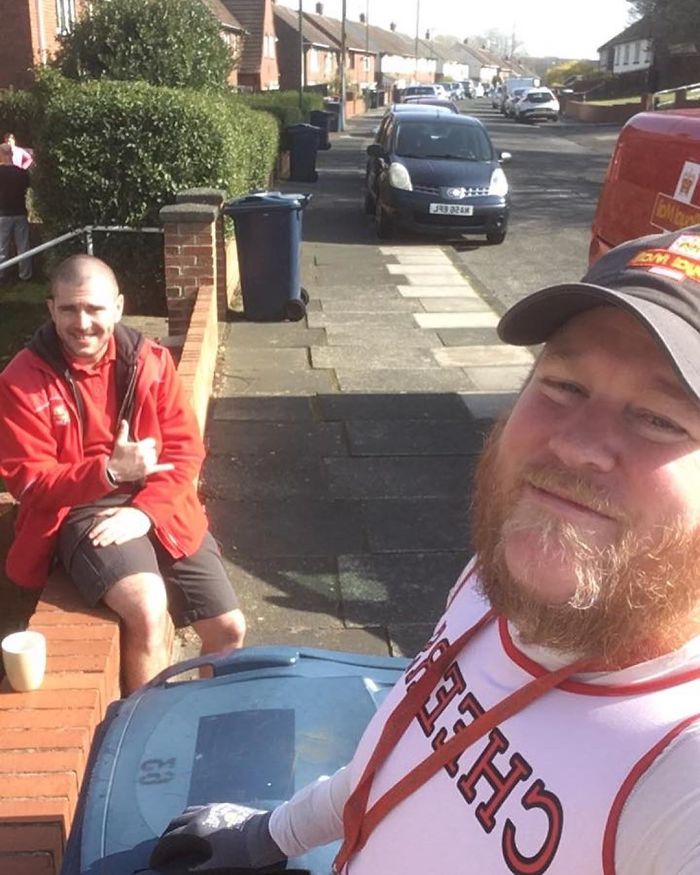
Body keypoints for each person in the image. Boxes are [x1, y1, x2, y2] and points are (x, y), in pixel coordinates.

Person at [150, 226, 700, 874]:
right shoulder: (495, 580)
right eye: (563, 385)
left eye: (661, 418)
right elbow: (411, 748)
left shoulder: (678, 769)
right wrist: (269, 833)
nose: (577, 444)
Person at [0, 254, 246, 693]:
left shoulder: (151, 362)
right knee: (148, 608)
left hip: (160, 506)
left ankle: (211, 719)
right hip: (78, 511)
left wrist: (146, 512)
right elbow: (31, 483)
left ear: (118, 307)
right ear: (51, 309)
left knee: (229, 628)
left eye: (94, 308)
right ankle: (143, 741)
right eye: (70, 309)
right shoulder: (21, 379)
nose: (83, 323)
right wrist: (110, 474)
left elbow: (186, 451)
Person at [0, 142, 31, 281]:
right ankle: (25, 275)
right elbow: (27, 188)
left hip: (3, 212)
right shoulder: (22, 173)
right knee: (23, 244)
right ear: (12, 154)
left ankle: (1, 273)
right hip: (20, 211)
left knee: (2, 245)